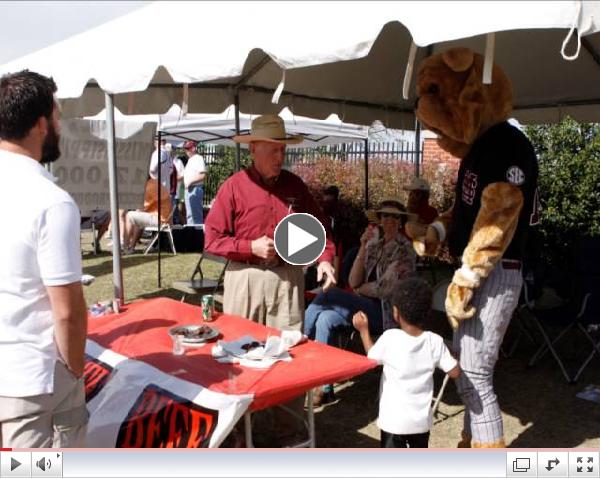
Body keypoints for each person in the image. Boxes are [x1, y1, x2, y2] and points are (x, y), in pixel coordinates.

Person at [0, 70, 88, 447]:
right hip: (34, 384)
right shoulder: (51, 201)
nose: (59, 126)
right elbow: (67, 311)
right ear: (40, 124)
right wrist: (73, 372)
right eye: (56, 116)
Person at [205, 114, 336, 329]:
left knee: (288, 348)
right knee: (240, 345)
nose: (280, 157)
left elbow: (320, 227)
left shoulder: (295, 186)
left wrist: (324, 259)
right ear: (253, 149)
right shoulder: (233, 187)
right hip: (245, 277)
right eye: (274, 150)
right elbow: (212, 240)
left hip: (287, 278)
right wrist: (250, 247)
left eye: (283, 150)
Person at [303, 199, 416, 405]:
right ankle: (325, 387)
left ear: (401, 221)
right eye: (385, 216)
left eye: (394, 216)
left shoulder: (405, 250)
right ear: (380, 220)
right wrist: (363, 247)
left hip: (388, 314)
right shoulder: (375, 245)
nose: (389, 220)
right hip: (364, 307)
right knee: (326, 318)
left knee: (330, 295)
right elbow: (354, 280)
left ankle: (300, 340)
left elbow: (384, 289)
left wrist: (360, 289)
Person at [352, 277, 460, 448]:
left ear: (396, 312)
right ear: (427, 312)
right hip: (421, 423)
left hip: (393, 422)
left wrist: (364, 331)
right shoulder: (434, 341)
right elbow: (454, 372)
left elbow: (372, 357)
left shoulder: (390, 337)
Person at [122, 178, 172, 254]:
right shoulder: (154, 183)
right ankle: (131, 247)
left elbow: (141, 209)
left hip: (160, 219)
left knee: (129, 215)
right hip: (165, 218)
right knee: (136, 218)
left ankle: (125, 248)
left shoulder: (148, 188)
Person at [183, 140, 207, 225]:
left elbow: (202, 175)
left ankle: (197, 236)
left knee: (195, 216)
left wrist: (190, 182)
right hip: (189, 189)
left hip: (194, 189)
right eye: (185, 149)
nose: (186, 151)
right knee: (190, 215)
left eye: (188, 148)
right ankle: (191, 235)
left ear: (193, 148)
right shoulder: (191, 160)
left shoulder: (198, 158)